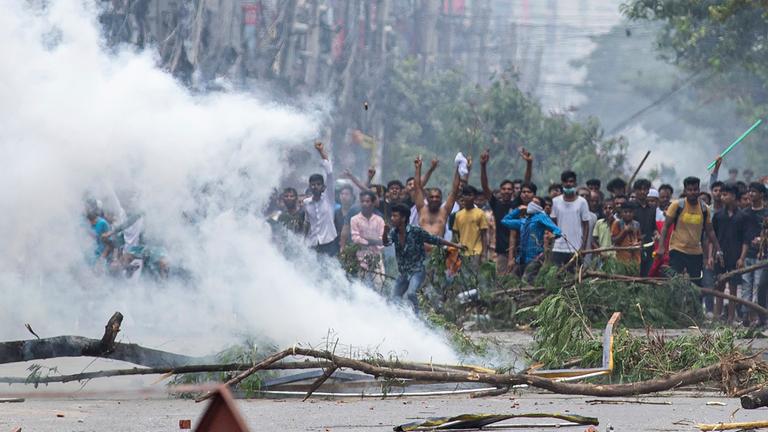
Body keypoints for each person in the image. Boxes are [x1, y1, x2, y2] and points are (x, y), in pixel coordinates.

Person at [384, 203, 464, 312]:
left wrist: (455, 245)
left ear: (403, 218)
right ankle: (399, 318)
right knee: (394, 298)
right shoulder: (394, 232)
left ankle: (419, 317)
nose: (392, 218)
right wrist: (385, 232)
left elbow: (435, 239)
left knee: (412, 293)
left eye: (395, 216)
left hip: (417, 271)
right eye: (392, 216)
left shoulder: (415, 231)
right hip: (403, 272)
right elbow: (386, 243)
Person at [656, 176, 721, 285]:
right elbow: (666, 226)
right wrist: (661, 247)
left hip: (695, 252)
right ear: (685, 191)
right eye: (690, 190)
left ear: (699, 190)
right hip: (677, 250)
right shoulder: (677, 205)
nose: (692, 192)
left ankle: (694, 302)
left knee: (696, 285)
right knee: (675, 283)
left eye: (695, 189)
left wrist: (718, 249)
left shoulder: (704, 209)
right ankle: (675, 302)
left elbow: (710, 231)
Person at [479, 148, 532, 274]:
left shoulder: (517, 203)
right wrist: (483, 166)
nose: (507, 191)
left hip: (520, 250)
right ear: (500, 190)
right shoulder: (496, 204)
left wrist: (529, 164)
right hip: (502, 252)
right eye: (504, 189)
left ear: (513, 191)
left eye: (510, 189)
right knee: (503, 286)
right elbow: (485, 186)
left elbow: (527, 182)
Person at [712, 184, 748, 323]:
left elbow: (746, 239)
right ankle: (717, 316)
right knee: (719, 286)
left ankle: (731, 317)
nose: (722, 197)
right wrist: (711, 255)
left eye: (725, 194)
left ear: (733, 196)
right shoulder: (718, 216)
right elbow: (712, 237)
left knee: (733, 288)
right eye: (721, 194)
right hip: (720, 256)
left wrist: (742, 258)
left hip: (735, 256)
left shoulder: (742, 216)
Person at [502, 197, 561, 280]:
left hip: (535, 257)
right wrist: (518, 210)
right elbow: (505, 221)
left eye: (535, 203)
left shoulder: (541, 217)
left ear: (541, 207)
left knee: (527, 279)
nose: (531, 204)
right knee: (512, 280)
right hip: (521, 258)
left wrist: (553, 236)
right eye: (531, 202)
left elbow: (557, 230)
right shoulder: (524, 221)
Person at [303, 141, 338, 256]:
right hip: (313, 243)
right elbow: (307, 223)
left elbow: (329, 173)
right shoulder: (306, 203)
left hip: (329, 242)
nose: (315, 187)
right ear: (310, 186)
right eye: (313, 184)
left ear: (323, 187)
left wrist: (321, 151)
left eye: (318, 184)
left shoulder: (329, 198)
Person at [550, 170, 591, 266]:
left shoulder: (582, 202)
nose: (568, 184)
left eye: (571, 181)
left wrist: (583, 247)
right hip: (558, 248)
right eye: (566, 181)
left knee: (575, 278)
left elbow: (586, 226)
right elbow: (552, 223)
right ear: (562, 183)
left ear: (575, 183)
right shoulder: (555, 201)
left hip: (575, 248)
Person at [350, 191, 386, 290]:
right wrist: (373, 241)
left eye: (367, 201)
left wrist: (367, 240)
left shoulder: (379, 220)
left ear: (373, 203)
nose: (365, 204)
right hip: (361, 256)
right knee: (362, 284)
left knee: (379, 283)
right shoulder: (354, 219)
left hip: (377, 256)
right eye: (362, 201)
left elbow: (383, 240)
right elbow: (355, 238)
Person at [743, 182, 768, 323]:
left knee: (759, 286)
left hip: (763, 256)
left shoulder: (766, 213)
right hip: (747, 254)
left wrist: (763, 239)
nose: (751, 194)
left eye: (754, 191)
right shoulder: (745, 213)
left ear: (761, 194)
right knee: (746, 285)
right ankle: (746, 316)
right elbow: (743, 237)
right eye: (749, 191)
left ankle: (760, 317)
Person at [453, 185, 489, 267]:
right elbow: (455, 234)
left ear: (474, 197)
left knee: (474, 277)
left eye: (470, 195)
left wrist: (484, 253)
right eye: (465, 195)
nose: (467, 197)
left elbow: (484, 235)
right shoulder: (458, 215)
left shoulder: (480, 213)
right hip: (462, 252)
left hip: (476, 251)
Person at [631, 179, 657, 276]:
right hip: (634, 247)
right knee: (634, 274)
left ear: (648, 191)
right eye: (640, 189)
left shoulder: (653, 209)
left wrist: (656, 234)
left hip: (649, 246)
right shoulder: (631, 208)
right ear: (635, 191)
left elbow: (654, 227)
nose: (642, 192)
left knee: (648, 274)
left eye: (645, 189)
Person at [611, 201, 642, 269]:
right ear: (621, 213)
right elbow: (614, 240)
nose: (628, 214)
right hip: (621, 258)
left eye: (630, 212)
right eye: (625, 212)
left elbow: (639, 239)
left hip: (635, 258)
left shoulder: (636, 224)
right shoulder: (617, 223)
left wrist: (639, 243)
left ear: (633, 213)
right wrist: (624, 231)